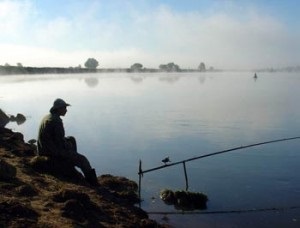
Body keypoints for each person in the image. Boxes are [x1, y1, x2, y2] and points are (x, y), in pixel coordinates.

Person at [37, 98, 98, 186]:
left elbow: (57, 138)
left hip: (43, 149)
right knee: (83, 160)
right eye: (64, 108)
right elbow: (60, 143)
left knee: (71, 139)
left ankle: (71, 162)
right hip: (50, 153)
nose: (66, 110)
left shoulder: (48, 117)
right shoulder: (56, 121)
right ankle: (93, 183)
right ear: (58, 109)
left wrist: (68, 143)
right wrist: (68, 147)